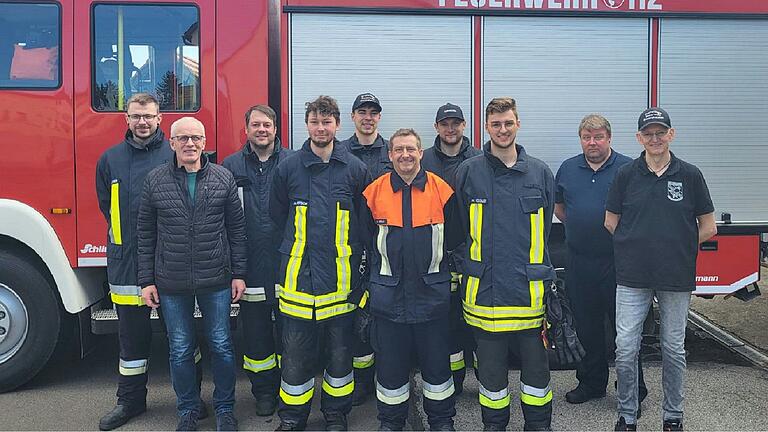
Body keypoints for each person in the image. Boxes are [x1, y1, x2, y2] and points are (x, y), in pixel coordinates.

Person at [95, 93, 205, 431]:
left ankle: (192, 399)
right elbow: (105, 205)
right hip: (127, 261)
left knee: (182, 336)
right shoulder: (109, 159)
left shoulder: (173, 154)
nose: (142, 122)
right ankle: (130, 401)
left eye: (149, 116)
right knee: (131, 338)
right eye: (136, 116)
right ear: (126, 119)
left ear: (160, 119)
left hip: (171, 260)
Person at [605, 108, 716, 432]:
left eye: (660, 132)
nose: (655, 138)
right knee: (625, 348)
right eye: (648, 133)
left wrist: (676, 245)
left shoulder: (690, 175)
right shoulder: (626, 175)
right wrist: (639, 244)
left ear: (671, 134)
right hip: (632, 277)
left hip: (674, 276)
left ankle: (673, 416)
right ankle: (627, 415)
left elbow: (708, 227)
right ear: (639, 138)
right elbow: (611, 222)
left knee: (672, 348)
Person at [137, 117, 247, 431]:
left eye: (195, 138)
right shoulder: (155, 180)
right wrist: (146, 280)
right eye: (182, 138)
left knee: (222, 345)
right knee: (181, 348)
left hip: (216, 280)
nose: (189, 144)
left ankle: (225, 409)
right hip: (171, 282)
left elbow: (237, 230)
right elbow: (145, 234)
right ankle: (187, 410)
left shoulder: (224, 178)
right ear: (170, 143)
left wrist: (238, 273)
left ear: (204, 142)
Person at [270, 95, 370, 431]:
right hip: (298, 282)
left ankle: (335, 414)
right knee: (295, 357)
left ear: (338, 125)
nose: (321, 128)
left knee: (340, 355)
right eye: (315, 121)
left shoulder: (356, 169)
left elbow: (364, 223)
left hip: (341, 285)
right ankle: (293, 417)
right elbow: (277, 215)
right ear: (307, 124)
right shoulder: (287, 167)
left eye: (327, 122)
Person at [454, 97, 555, 431]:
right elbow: (458, 229)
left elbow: (546, 233)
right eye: (495, 124)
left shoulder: (540, 172)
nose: (502, 129)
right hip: (486, 297)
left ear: (518, 124)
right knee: (492, 379)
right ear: (486, 127)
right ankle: (494, 426)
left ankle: (538, 426)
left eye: (508, 123)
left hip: (529, 297)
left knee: (537, 378)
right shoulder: (469, 171)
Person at [362, 128, 460, 431]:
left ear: (421, 153)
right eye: (399, 149)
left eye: (411, 149)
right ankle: (391, 423)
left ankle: (442, 422)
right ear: (390, 155)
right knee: (390, 371)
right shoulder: (373, 192)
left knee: (437, 370)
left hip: (431, 297)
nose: (405, 155)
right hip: (388, 299)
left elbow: (455, 237)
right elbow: (366, 240)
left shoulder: (441, 190)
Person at [554, 114, 647, 408]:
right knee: (586, 327)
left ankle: (632, 389)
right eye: (587, 137)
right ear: (581, 139)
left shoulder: (630, 168)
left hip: (619, 263)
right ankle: (591, 383)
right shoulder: (568, 168)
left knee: (626, 331)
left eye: (598, 137)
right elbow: (561, 208)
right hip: (580, 262)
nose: (592, 143)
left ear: (609, 138)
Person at [222, 105, 292, 416]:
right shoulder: (230, 165)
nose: (261, 130)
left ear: (276, 129)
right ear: (246, 129)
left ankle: (292, 391)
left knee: (292, 336)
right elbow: (223, 218)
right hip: (248, 267)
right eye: (255, 125)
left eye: (267, 124)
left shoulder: (293, 163)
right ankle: (264, 392)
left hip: (287, 265)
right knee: (256, 337)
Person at [421, 103, 481, 394]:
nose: (450, 128)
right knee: (447, 323)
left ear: (464, 125)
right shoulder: (425, 161)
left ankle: (487, 380)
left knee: (480, 322)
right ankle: (454, 382)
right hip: (437, 256)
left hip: (474, 253)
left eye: (456, 123)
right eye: (445, 123)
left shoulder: (481, 159)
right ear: (436, 128)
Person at [340, 92, 389, 406]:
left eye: (373, 112)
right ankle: (361, 383)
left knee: (385, 315)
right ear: (353, 117)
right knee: (356, 316)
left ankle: (387, 377)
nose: (368, 117)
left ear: (379, 117)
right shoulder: (341, 152)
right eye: (362, 112)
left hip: (388, 245)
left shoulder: (393, 151)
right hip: (352, 245)